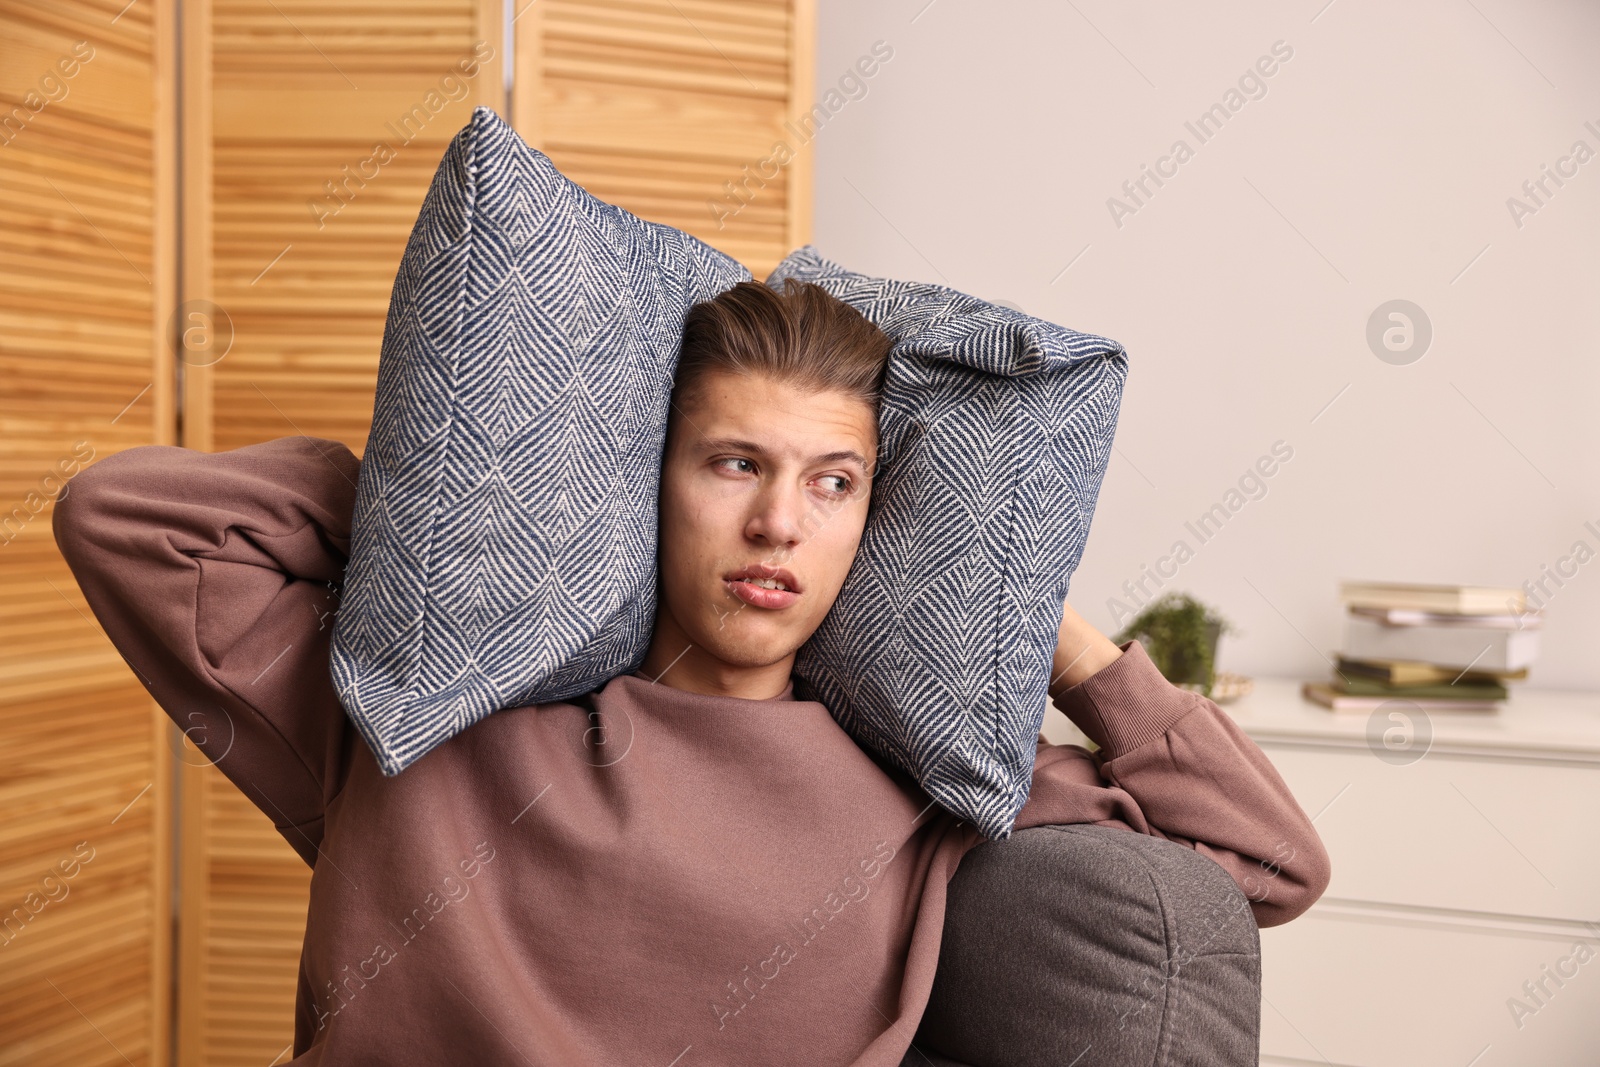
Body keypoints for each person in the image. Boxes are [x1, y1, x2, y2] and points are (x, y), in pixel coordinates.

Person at [54, 279, 1329, 1066]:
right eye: (733, 464)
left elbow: (1271, 862)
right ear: (636, 484)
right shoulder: (419, 714)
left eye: (834, 484)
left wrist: (1036, 621)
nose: (780, 522)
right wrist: (467, 505)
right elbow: (126, 518)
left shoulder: (921, 787)